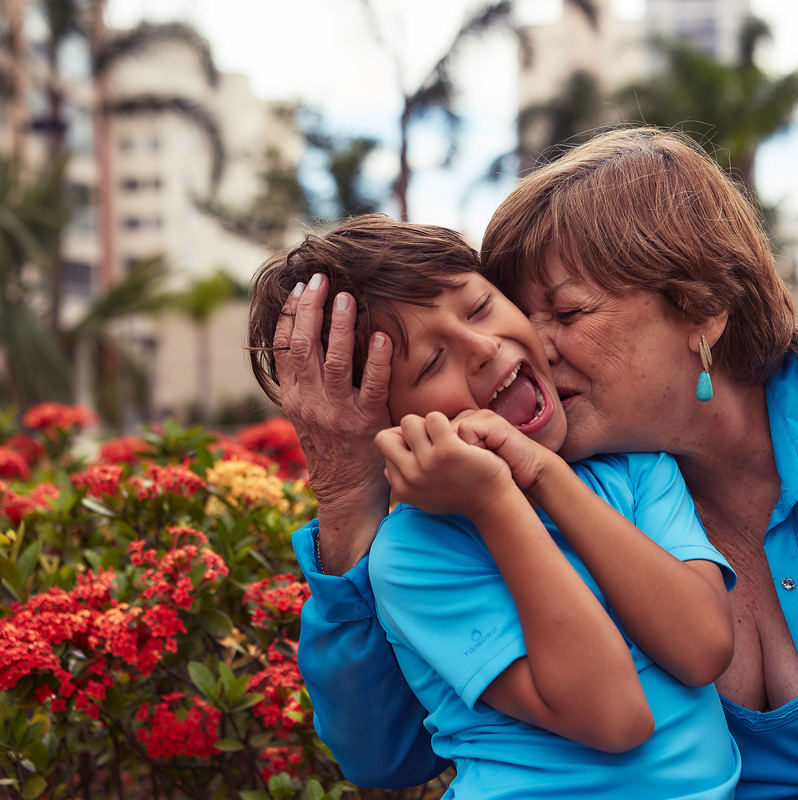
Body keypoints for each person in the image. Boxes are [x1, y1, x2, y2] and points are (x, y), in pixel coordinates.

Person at [268, 127, 798, 798]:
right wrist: (349, 495)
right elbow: (386, 753)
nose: (526, 346)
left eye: (567, 314)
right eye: (521, 310)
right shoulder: (537, 491)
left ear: (702, 307)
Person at [247, 215, 741, 798]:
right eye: (431, 364)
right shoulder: (416, 553)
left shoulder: (632, 467)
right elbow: (615, 718)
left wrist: (542, 473)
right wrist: (495, 501)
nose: (483, 348)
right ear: (391, 428)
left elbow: (703, 649)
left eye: (480, 307)